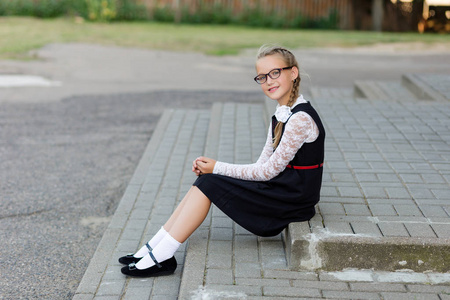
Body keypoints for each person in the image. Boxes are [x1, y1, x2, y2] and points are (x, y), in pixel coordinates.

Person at [119, 45, 325, 277]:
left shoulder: (300, 119)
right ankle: (155, 248)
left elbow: (266, 173)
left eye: (275, 73)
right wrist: (216, 170)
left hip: (293, 201)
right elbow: (260, 166)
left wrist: (217, 167)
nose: (268, 81)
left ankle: (162, 255)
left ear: (293, 73)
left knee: (210, 182)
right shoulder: (281, 114)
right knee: (209, 180)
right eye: (262, 77)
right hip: (283, 190)